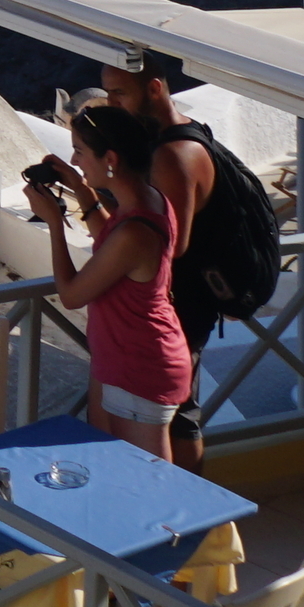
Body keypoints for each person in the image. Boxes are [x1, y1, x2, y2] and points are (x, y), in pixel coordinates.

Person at [32, 104, 194, 460]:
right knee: (117, 473)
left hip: (141, 367)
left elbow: (72, 295)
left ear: (111, 159)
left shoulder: (134, 231)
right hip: (128, 360)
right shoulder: (149, 202)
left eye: (80, 152)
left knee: (149, 483)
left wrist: (55, 224)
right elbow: (112, 240)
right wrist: (80, 190)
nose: (74, 161)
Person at [99, 51, 222, 467]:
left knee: (180, 421)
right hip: (176, 302)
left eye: (119, 93)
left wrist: (124, 252)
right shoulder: (181, 135)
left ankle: (190, 518)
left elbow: (172, 243)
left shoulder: (171, 154)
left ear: (154, 88)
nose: (112, 104)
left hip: (180, 303)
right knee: (175, 419)